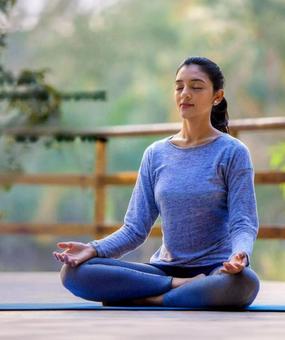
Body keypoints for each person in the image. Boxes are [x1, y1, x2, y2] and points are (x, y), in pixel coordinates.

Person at [53, 56, 260, 308]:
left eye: (196, 87)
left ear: (217, 96)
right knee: (75, 273)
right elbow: (134, 229)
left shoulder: (232, 152)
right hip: (164, 271)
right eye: (179, 86)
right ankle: (177, 288)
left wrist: (241, 255)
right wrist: (93, 249)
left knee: (245, 283)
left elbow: (243, 223)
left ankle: (150, 298)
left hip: (215, 271)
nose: (185, 94)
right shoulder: (156, 153)